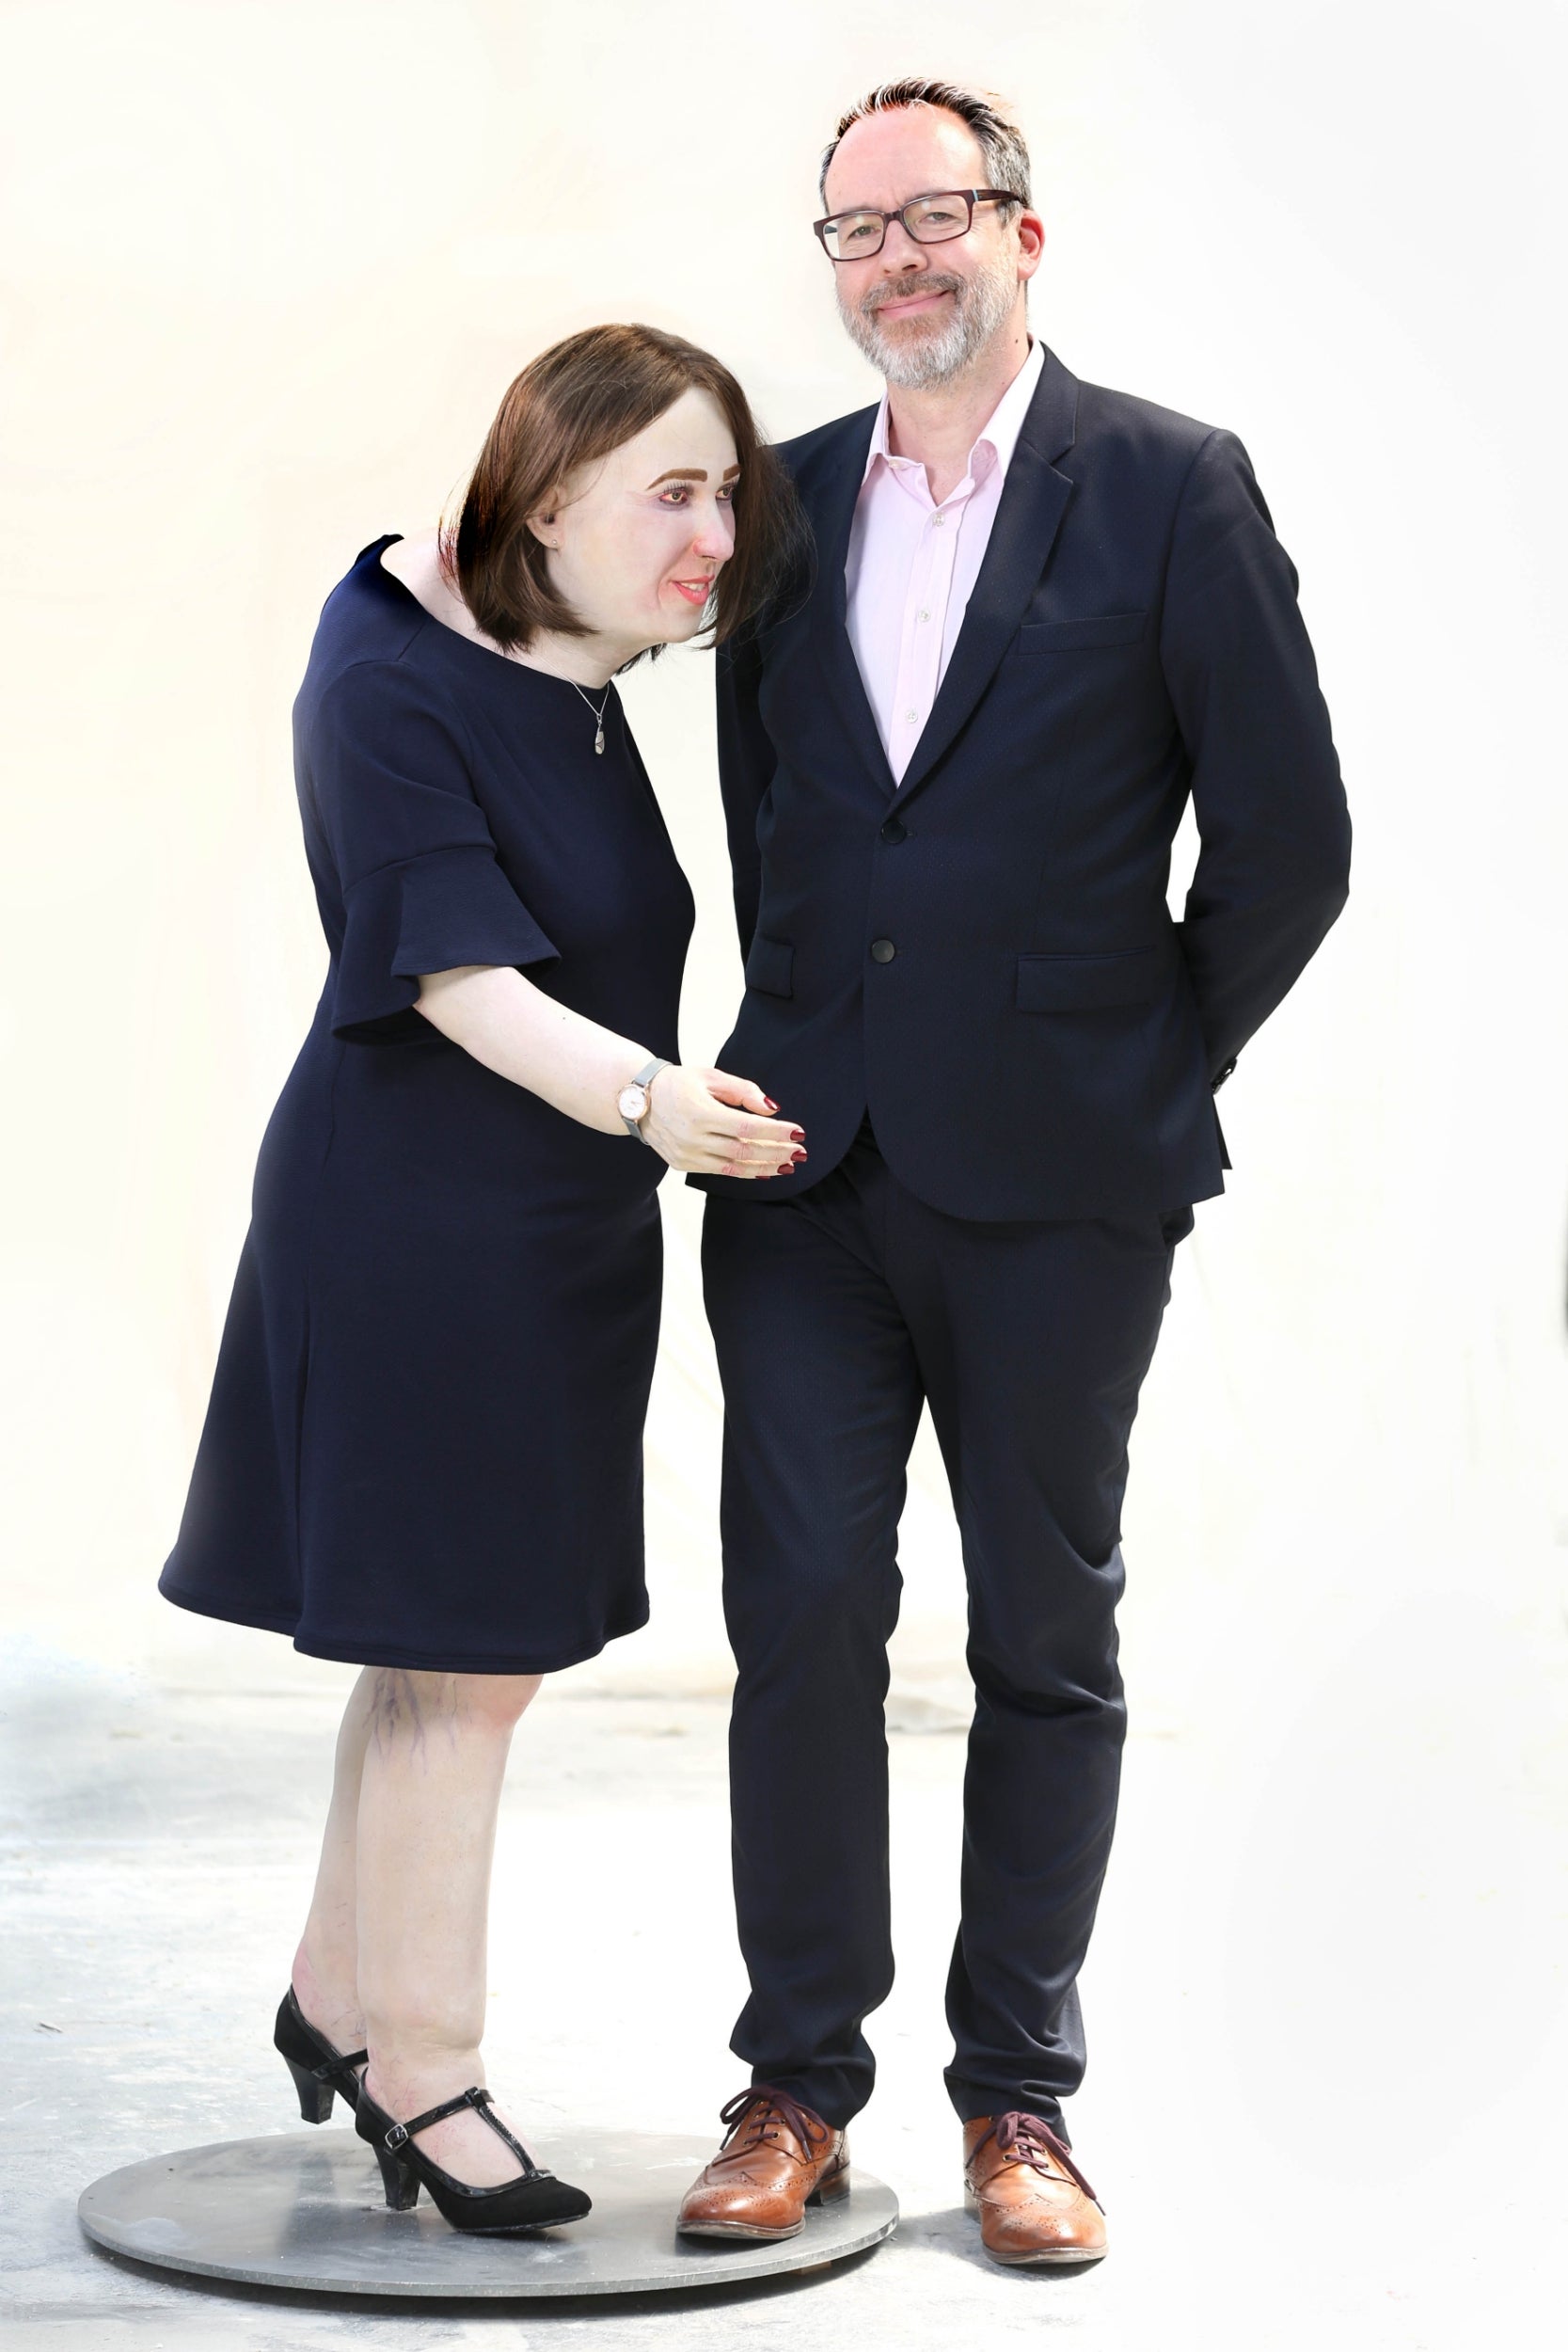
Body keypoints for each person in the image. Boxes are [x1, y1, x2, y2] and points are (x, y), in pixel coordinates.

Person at [674, 80, 1351, 2265]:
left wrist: (1138, 1054)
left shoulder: (1167, 484)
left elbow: (1290, 839)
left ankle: (1020, 2098)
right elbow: (775, 813)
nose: (896, 259)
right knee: (800, 1617)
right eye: (856, 229)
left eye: (933, 215)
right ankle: (796, 2080)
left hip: (1064, 1180)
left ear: (1022, 235)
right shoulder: (782, 504)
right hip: (804, 1163)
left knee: (1046, 1632)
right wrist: (799, 1025)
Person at [159, 324, 806, 2235]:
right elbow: (453, 976)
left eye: (729, 494)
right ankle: (423, 2070)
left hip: (554, 1223)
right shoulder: (386, 678)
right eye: (671, 494)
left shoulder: (569, 658)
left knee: (443, 1651)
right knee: (469, 1667)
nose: (714, 539)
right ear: (545, 499)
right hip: (418, 1227)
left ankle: (334, 1989)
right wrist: (655, 1102)